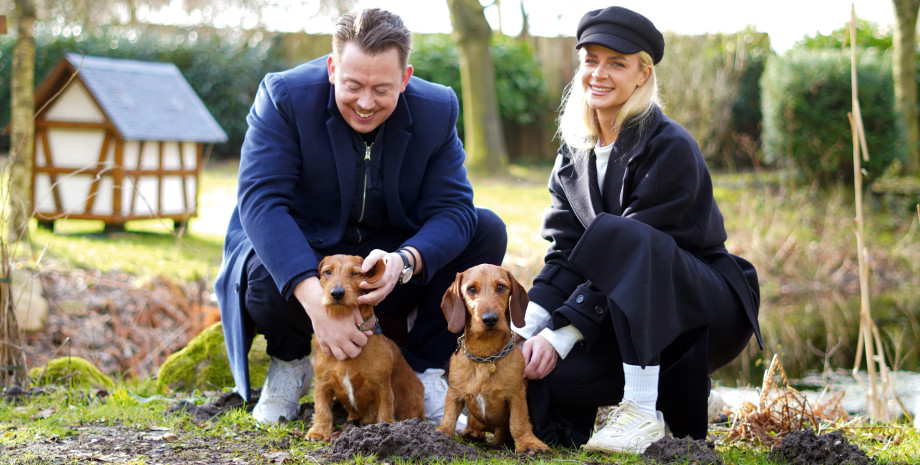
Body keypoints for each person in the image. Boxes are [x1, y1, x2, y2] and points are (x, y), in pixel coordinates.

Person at [214, 8, 507, 426]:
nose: (365, 103)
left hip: (386, 263)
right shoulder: (283, 97)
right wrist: (318, 303)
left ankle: (424, 370)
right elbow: (260, 201)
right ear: (333, 69)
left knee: (485, 230)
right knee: (262, 266)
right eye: (352, 86)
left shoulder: (437, 108)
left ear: (405, 79)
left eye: (382, 89)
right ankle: (291, 361)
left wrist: (404, 261)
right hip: (310, 254)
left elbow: (455, 209)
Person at [513, 6, 762, 454]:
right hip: (622, 312)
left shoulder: (669, 146)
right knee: (552, 380)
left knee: (625, 237)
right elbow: (565, 253)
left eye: (617, 63)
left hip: (703, 306)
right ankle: (673, 394)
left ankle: (642, 411)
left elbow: (630, 250)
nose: (599, 73)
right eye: (591, 60)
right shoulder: (572, 155)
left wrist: (563, 332)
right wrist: (526, 333)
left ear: (643, 73)